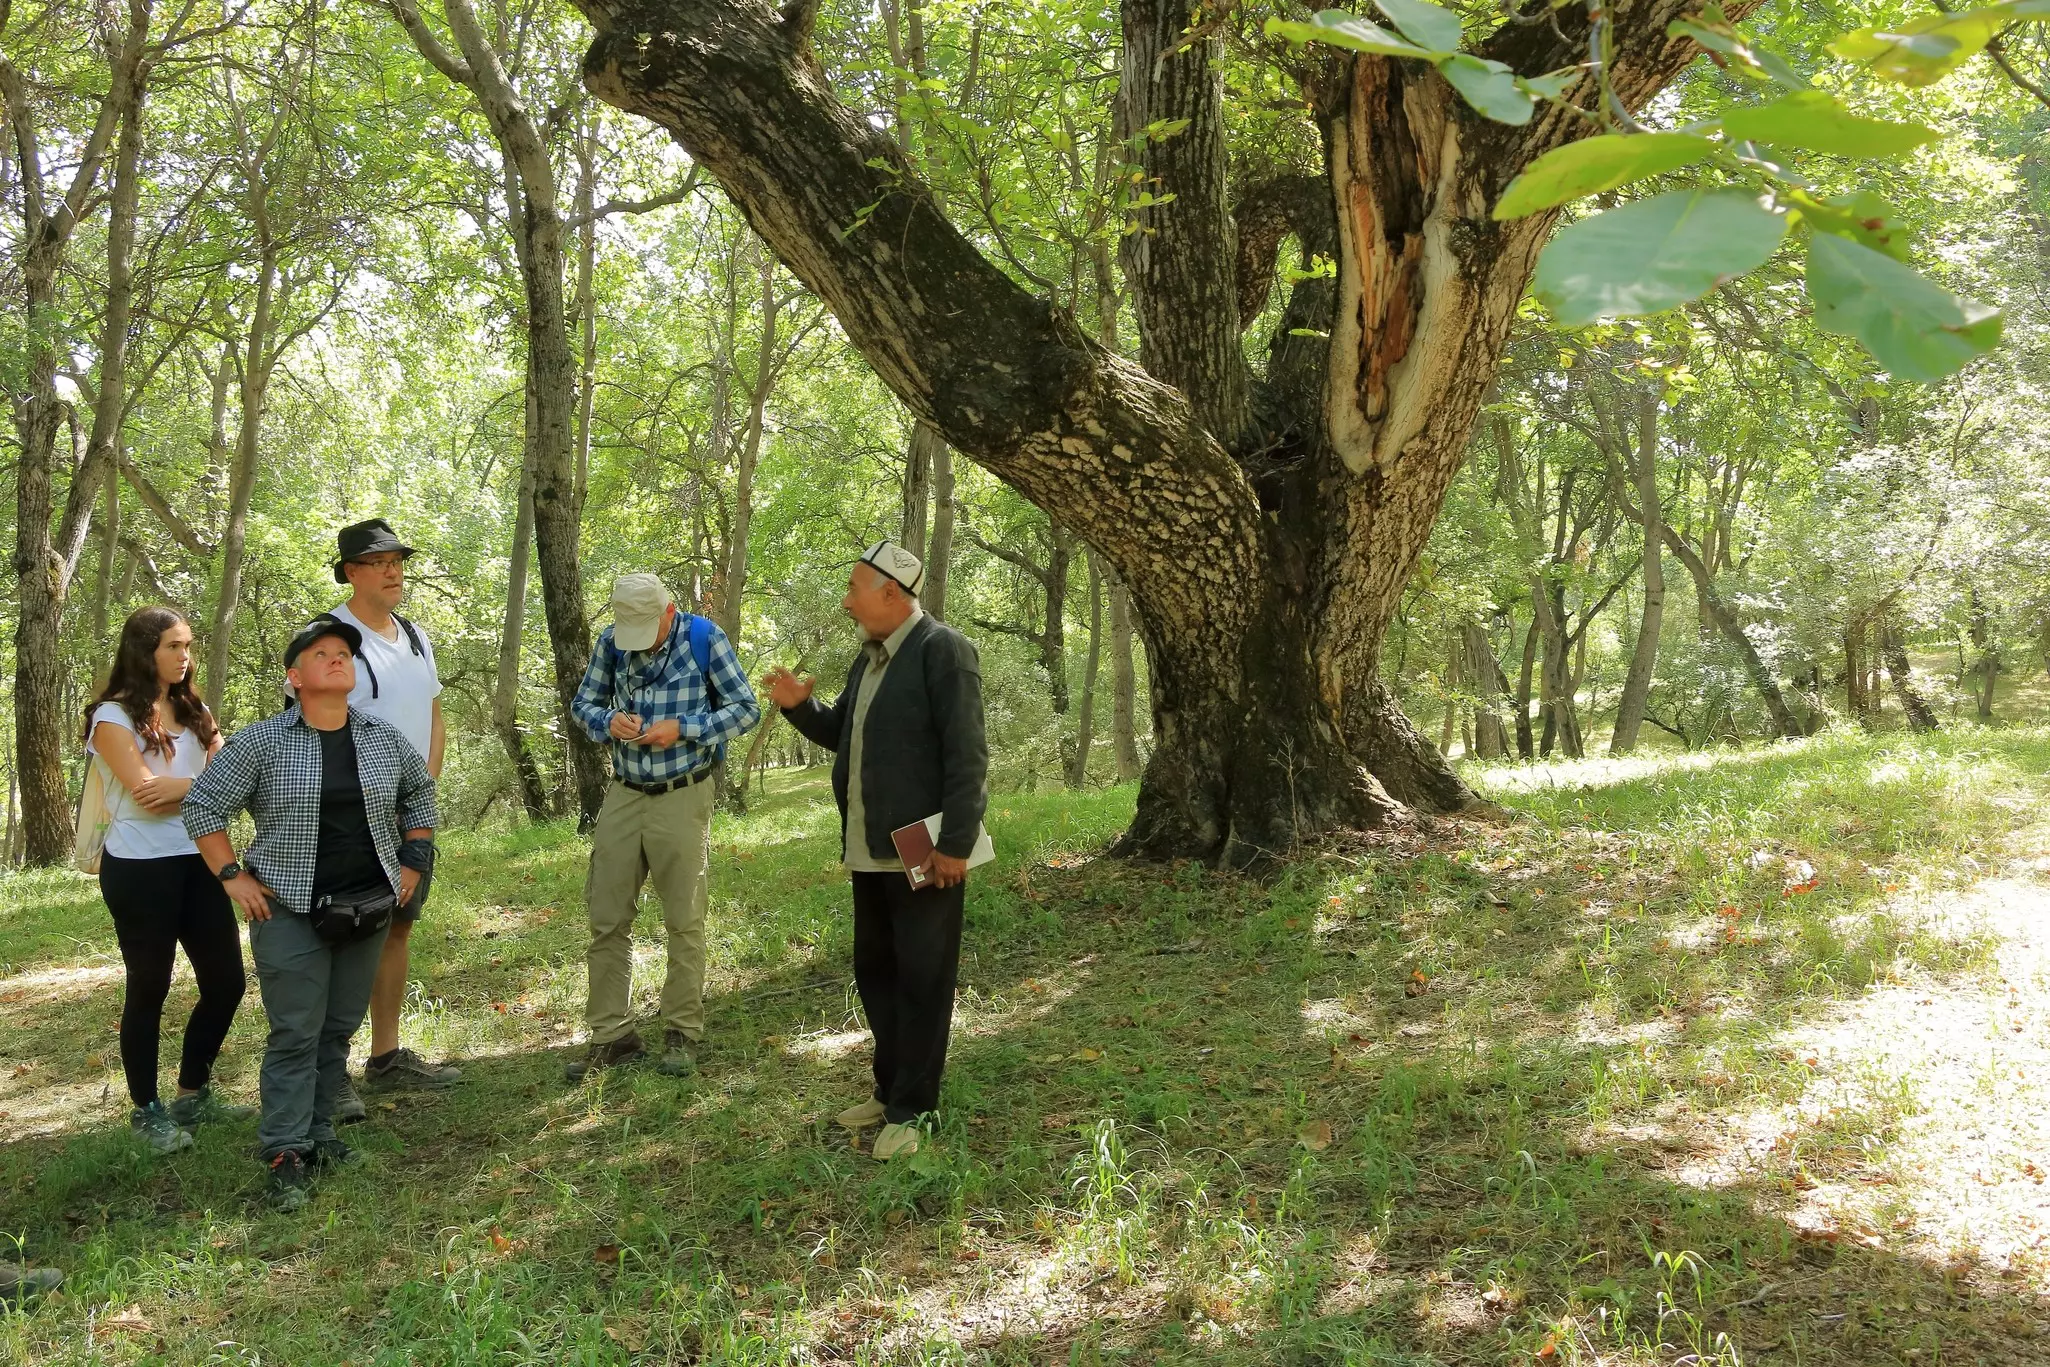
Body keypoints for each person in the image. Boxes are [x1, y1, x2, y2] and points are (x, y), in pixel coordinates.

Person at [183, 617, 438, 1211]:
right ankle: (284, 1148)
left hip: (368, 907)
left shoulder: (380, 737)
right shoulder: (261, 743)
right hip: (290, 910)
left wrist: (414, 858)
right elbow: (203, 806)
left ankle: (320, 1133)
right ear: (295, 678)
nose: (338, 659)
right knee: (296, 1030)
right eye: (322, 654)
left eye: (345, 653)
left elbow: (419, 793)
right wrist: (232, 876)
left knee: (337, 1029)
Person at [763, 540, 988, 1161]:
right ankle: (890, 1090)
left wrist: (955, 844)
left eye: (855, 589)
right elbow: (846, 735)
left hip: (925, 851)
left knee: (923, 976)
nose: (846, 602)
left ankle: (914, 1110)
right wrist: (799, 708)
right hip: (870, 849)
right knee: (878, 971)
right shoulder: (868, 661)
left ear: (892, 592)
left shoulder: (943, 651)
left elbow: (967, 756)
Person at [565, 574, 759, 1082]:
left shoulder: (704, 639)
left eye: (647, 629)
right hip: (625, 792)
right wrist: (608, 721)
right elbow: (582, 705)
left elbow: (746, 709)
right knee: (606, 916)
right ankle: (612, 1035)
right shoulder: (611, 643)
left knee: (683, 917)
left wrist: (686, 727)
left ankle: (681, 1031)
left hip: (684, 791)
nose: (639, 640)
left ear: (669, 613)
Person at [82, 607, 250, 1155]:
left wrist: (184, 784)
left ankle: (192, 1093)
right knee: (149, 986)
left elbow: (228, 783)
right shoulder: (112, 718)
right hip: (139, 869)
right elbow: (146, 796)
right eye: (174, 646)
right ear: (144, 651)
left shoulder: (194, 709)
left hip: (201, 860)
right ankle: (146, 1110)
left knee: (227, 983)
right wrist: (199, 783)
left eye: (188, 645)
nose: (186, 657)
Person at [323, 518, 458, 1123]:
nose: (393, 570)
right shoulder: (329, 638)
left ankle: (385, 1055)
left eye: (397, 560)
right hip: (349, 814)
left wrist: (420, 788)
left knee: (397, 925)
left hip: (408, 810)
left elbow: (432, 714)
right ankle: (330, 1072)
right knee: (344, 932)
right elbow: (315, 726)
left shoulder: (414, 635)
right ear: (351, 572)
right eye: (378, 562)